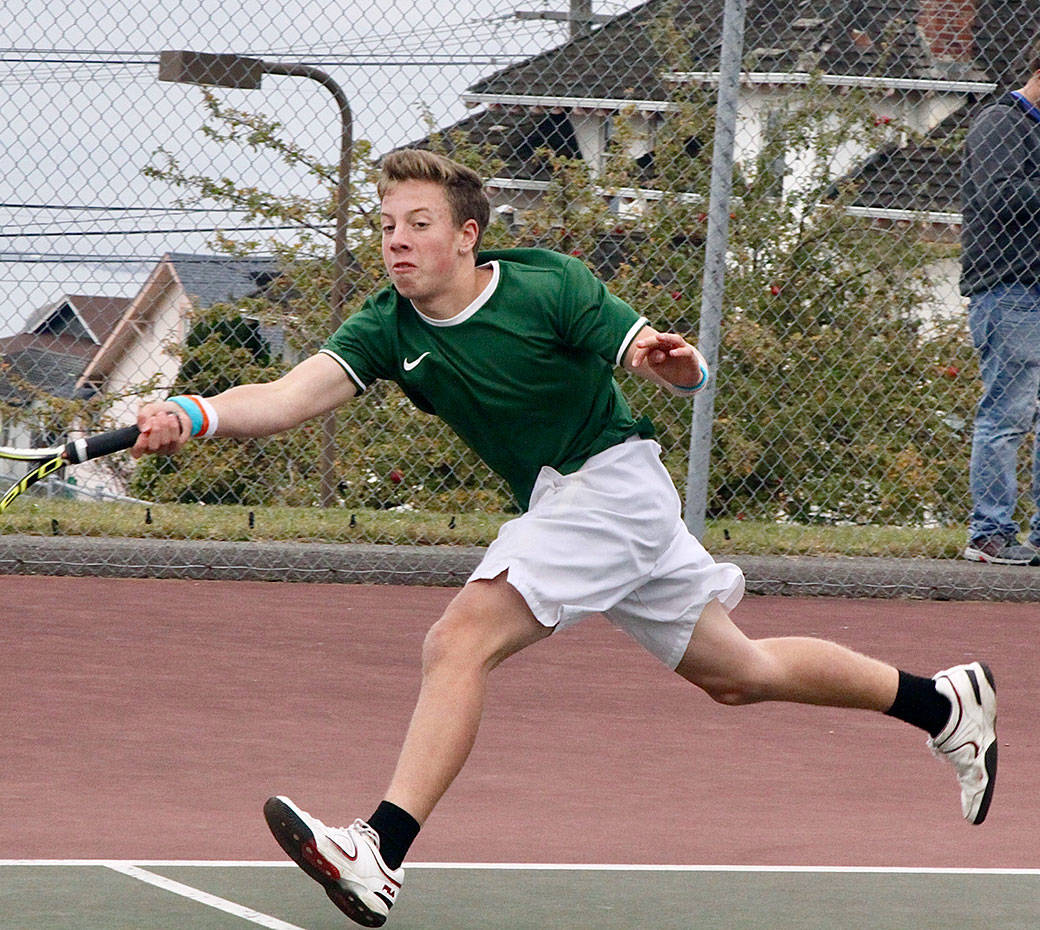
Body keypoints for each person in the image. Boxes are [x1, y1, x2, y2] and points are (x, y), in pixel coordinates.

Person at [134, 149, 998, 927]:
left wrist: (672, 363)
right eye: (387, 226)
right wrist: (191, 411)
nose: (396, 242)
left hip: (609, 488)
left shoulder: (547, 285)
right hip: (574, 505)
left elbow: (652, 354)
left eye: (417, 226)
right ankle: (942, 702)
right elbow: (287, 397)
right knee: (739, 673)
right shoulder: (386, 326)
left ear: (467, 236)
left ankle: (380, 851)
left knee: (458, 640)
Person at [960, 36, 1040, 566]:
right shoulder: (1002, 122)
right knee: (1007, 415)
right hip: (1009, 290)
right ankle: (989, 534)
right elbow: (1002, 195)